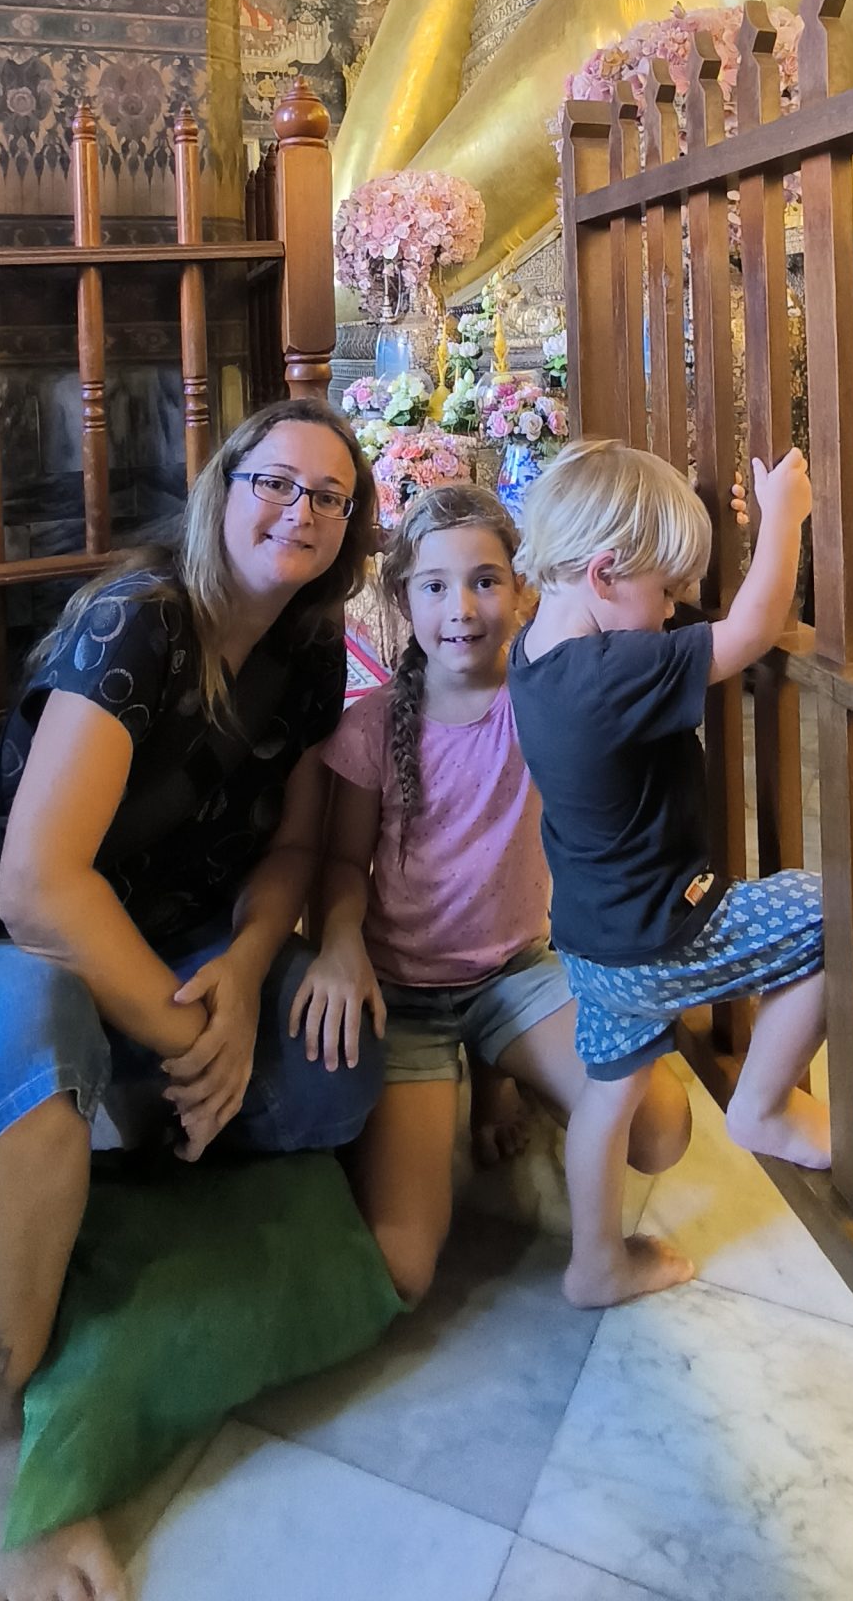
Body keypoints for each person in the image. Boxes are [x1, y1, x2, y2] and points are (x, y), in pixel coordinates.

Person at [0, 396, 382, 1601]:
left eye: (329, 496)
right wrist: (192, 1034)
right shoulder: (138, 618)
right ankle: (7, 1432)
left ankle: (103, 1164)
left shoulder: (311, 650)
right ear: (222, 485)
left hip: (188, 949)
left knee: (334, 1068)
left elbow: (293, 853)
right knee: (31, 1037)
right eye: (275, 481)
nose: (299, 510)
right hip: (8, 956)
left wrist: (245, 976)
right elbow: (37, 885)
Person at [292, 481, 691, 1307]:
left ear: (524, 591)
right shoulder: (372, 727)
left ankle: (502, 1070)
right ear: (403, 599)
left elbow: (627, 611)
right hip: (403, 998)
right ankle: (470, 1082)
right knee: (404, 1264)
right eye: (435, 586)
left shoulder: (548, 702)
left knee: (660, 1129)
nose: (462, 609)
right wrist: (338, 943)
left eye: (485, 581)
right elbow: (341, 864)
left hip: (515, 973)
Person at [509, 436, 828, 1309]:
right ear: (605, 573)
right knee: (832, 915)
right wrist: (784, 520)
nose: (674, 611)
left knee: (607, 1101)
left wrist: (732, 545)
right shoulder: (611, 673)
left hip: (591, 941)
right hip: (662, 933)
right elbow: (751, 630)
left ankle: (595, 1265)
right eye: (666, 593)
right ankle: (765, 1106)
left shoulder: (536, 655)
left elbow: (684, 627)